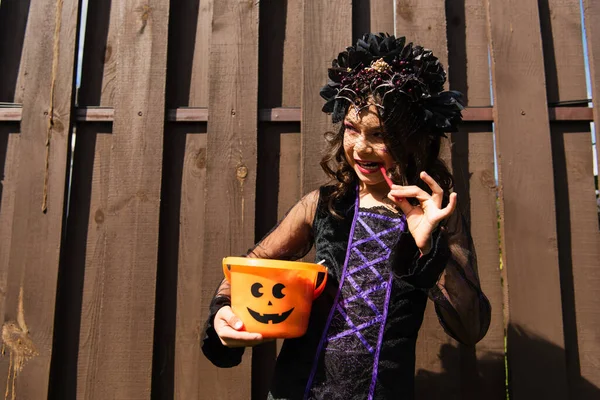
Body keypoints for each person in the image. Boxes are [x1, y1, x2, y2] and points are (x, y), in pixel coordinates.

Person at [202, 33, 491, 400]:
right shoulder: (324, 204)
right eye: (352, 129)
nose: (360, 147)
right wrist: (222, 313)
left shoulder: (438, 215)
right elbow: (252, 264)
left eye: (379, 134)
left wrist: (429, 248)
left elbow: (471, 327)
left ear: (415, 138)